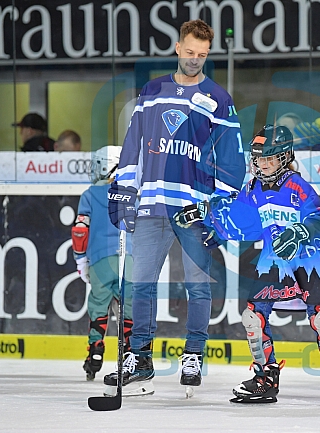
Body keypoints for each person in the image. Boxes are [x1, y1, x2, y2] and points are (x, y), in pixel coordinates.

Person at [174, 125, 320, 406]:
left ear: (285, 157)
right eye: (259, 159)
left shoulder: (298, 186)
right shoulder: (253, 188)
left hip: (306, 260)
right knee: (253, 318)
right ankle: (265, 378)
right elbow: (240, 218)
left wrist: (301, 233)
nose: (263, 164)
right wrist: (207, 214)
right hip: (274, 260)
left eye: (269, 159)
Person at [106, 19, 246, 396]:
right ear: (177, 48)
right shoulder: (153, 91)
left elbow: (233, 160)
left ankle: (194, 355)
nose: (194, 60)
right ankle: (140, 357)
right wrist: (123, 189)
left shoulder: (219, 99)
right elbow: (133, 144)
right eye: (189, 52)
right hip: (151, 205)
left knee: (197, 287)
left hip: (194, 210)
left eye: (201, 55)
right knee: (141, 285)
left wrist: (218, 205)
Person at [72, 146, 134, 382]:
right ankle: (130, 354)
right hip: (130, 257)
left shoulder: (90, 194)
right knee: (129, 307)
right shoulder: (133, 192)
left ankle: (95, 351)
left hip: (99, 258)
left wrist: (80, 260)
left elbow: (80, 231)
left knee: (99, 304)